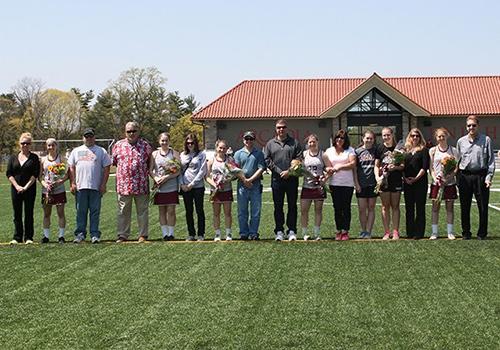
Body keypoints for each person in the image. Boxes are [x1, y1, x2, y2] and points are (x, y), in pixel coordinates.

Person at [68, 128, 111, 244]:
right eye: (86, 136)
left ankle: (94, 234)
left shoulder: (101, 151)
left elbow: (107, 167)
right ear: (83, 138)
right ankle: (80, 234)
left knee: (95, 212)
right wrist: (72, 183)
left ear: (94, 137)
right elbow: (71, 167)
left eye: (91, 136)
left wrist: (103, 184)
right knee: (80, 211)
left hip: (95, 187)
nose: (89, 138)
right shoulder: (76, 151)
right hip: (80, 187)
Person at [112, 122, 152, 243]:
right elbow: (114, 162)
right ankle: (123, 235)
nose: (131, 134)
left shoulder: (145, 146)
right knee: (123, 211)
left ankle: (143, 235)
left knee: (142, 211)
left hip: (141, 184)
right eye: (129, 131)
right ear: (125, 132)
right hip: (124, 185)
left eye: (134, 131)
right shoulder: (118, 145)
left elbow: (150, 163)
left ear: (138, 131)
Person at [456, 115, 495, 240]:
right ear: (466, 127)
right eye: (469, 125)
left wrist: (488, 178)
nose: (471, 127)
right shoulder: (460, 142)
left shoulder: (486, 140)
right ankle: (466, 232)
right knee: (465, 206)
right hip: (464, 177)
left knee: (483, 206)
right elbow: (457, 160)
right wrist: (456, 178)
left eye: (473, 125)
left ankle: (482, 233)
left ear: (478, 126)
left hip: (481, 176)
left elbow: (491, 161)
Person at [264, 119, 302, 241]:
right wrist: (280, 172)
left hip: (292, 179)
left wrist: (289, 171)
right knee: (278, 206)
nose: (281, 129)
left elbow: (299, 159)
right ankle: (279, 230)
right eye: (279, 127)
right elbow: (267, 160)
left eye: (283, 127)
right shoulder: (270, 144)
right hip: (277, 180)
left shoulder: (294, 142)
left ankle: (291, 230)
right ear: (276, 129)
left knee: (292, 206)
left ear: (286, 128)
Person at [206, 139, 243, 241]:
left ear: (227, 149)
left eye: (224, 148)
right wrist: (215, 184)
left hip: (227, 189)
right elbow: (207, 177)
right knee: (216, 213)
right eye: (220, 148)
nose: (222, 150)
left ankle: (228, 233)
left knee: (228, 213)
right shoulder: (211, 161)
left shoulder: (230, 160)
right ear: (216, 148)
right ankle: (217, 234)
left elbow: (235, 174)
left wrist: (227, 180)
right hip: (215, 191)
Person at [6, 132, 40, 244]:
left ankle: (29, 237)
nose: (25, 145)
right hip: (16, 189)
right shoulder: (13, 157)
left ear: (31, 145)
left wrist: (25, 187)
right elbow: (9, 173)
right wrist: (17, 186)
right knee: (17, 213)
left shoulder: (34, 158)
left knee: (28, 213)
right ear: (19, 144)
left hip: (29, 189)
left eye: (27, 143)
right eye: (23, 143)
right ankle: (17, 237)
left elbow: (35, 175)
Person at [324, 129, 356, 240]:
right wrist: (328, 168)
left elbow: (352, 164)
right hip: (334, 183)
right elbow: (327, 165)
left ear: (345, 139)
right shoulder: (329, 151)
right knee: (337, 208)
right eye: (337, 137)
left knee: (346, 207)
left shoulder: (350, 150)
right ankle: (338, 230)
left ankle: (345, 231)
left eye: (342, 138)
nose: (339, 140)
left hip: (348, 184)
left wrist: (340, 167)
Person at [234, 131, 266, 240]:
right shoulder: (238, 153)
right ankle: (243, 233)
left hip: (255, 186)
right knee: (242, 212)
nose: (248, 141)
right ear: (243, 140)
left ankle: (253, 233)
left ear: (254, 140)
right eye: (246, 139)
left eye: (251, 139)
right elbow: (235, 169)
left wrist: (250, 180)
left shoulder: (259, 153)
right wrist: (244, 180)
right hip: (242, 186)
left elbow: (261, 168)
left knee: (255, 212)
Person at [428, 128, 459, 240]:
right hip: (436, 183)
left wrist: (448, 178)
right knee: (435, 208)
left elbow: (456, 168)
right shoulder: (432, 150)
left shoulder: (453, 150)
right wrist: (435, 178)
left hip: (449, 183)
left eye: (443, 136)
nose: (441, 138)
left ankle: (450, 232)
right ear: (436, 138)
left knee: (449, 208)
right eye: (439, 136)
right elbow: (431, 168)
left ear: (447, 135)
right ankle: (434, 232)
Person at [374, 127, 404, 240]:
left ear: (392, 135)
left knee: (395, 206)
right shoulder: (379, 148)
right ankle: (387, 232)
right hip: (383, 181)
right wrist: (378, 177)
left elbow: (402, 166)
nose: (386, 137)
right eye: (384, 135)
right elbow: (376, 165)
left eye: (388, 135)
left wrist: (394, 167)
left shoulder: (399, 149)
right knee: (385, 207)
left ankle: (395, 231)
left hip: (395, 180)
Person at [150, 132, 180, 241]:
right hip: (159, 187)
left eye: (166, 140)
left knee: (171, 210)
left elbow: (178, 171)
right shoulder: (154, 154)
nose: (164, 142)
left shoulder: (174, 153)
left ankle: (171, 233)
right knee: (161, 211)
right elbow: (150, 170)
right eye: (162, 140)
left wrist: (167, 177)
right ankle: (164, 234)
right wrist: (156, 178)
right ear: (159, 141)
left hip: (171, 186)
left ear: (169, 141)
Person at [39, 138, 68, 243]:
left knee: (60, 213)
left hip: (59, 190)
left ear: (56, 146)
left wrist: (59, 182)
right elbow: (40, 177)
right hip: (46, 191)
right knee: (46, 214)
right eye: (48, 145)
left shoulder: (61, 158)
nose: (50, 147)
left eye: (52, 145)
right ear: (46, 147)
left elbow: (66, 175)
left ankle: (61, 236)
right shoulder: (42, 160)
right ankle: (46, 237)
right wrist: (45, 185)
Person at [300, 134, 329, 241]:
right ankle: (304, 233)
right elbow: (299, 169)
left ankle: (317, 233)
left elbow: (329, 169)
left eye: (314, 141)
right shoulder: (304, 154)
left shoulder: (323, 154)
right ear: (307, 144)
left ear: (317, 142)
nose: (312, 144)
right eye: (310, 142)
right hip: (306, 186)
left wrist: (324, 179)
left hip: (318, 188)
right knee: (304, 210)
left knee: (318, 210)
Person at [403, 128, 429, 239]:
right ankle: (410, 232)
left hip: (420, 183)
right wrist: (405, 178)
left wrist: (415, 179)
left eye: (417, 136)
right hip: (407, 183)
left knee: (420, 208)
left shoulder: (424, 150)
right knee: (409, 208)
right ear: (409, 137)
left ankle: (419, 233)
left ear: (420, 137)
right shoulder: (405, 151)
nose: (415, 138)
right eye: (413, 135)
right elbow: (401, 166)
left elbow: (424, 168)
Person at [180, 133, 207, 241]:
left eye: (192, 143)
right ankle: (191, 234)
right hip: (185, 187)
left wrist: (192, 184)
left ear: (196, 143)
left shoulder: (202, 154)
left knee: (199, 210)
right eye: (188, 143)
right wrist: (182, 184)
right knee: (188, 211)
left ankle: (201, 234)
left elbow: (202, 171)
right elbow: (179, 171)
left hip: (198, 187)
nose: (190, 145)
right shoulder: (182, 155)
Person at [354, 130, 377, 239]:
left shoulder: (376, 151)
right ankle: (363, 230)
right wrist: (356, 184)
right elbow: (354, 170)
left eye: (371, 138)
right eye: (367, 138)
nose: (369, 140)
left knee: (371, 207)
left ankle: (368, 231)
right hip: (361, 184)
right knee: (362, 209)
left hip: (373, 183)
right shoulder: (357, 151)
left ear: (373, 140)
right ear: (363, 138)